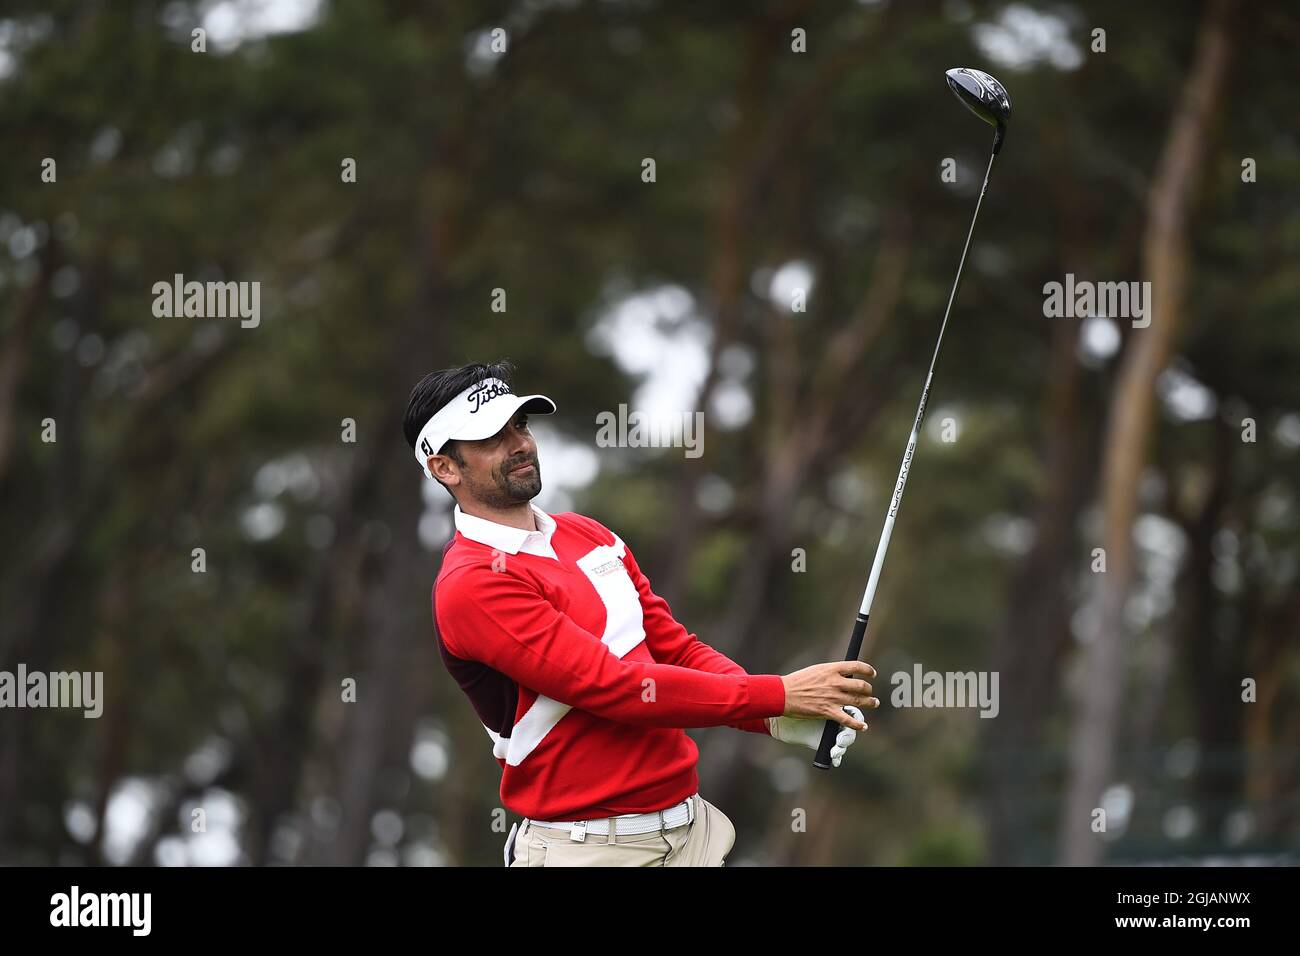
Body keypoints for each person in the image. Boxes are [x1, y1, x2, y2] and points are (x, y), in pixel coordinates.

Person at [403, 360, 879, 866]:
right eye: (491, 437)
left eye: (520, 425)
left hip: (691, 834)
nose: (519, 443)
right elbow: (615, 687)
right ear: (445, 468)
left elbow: (674, 648)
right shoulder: (472, 583)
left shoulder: (587, 533)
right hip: (589, 851)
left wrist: (772, 718)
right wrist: (777, 694)